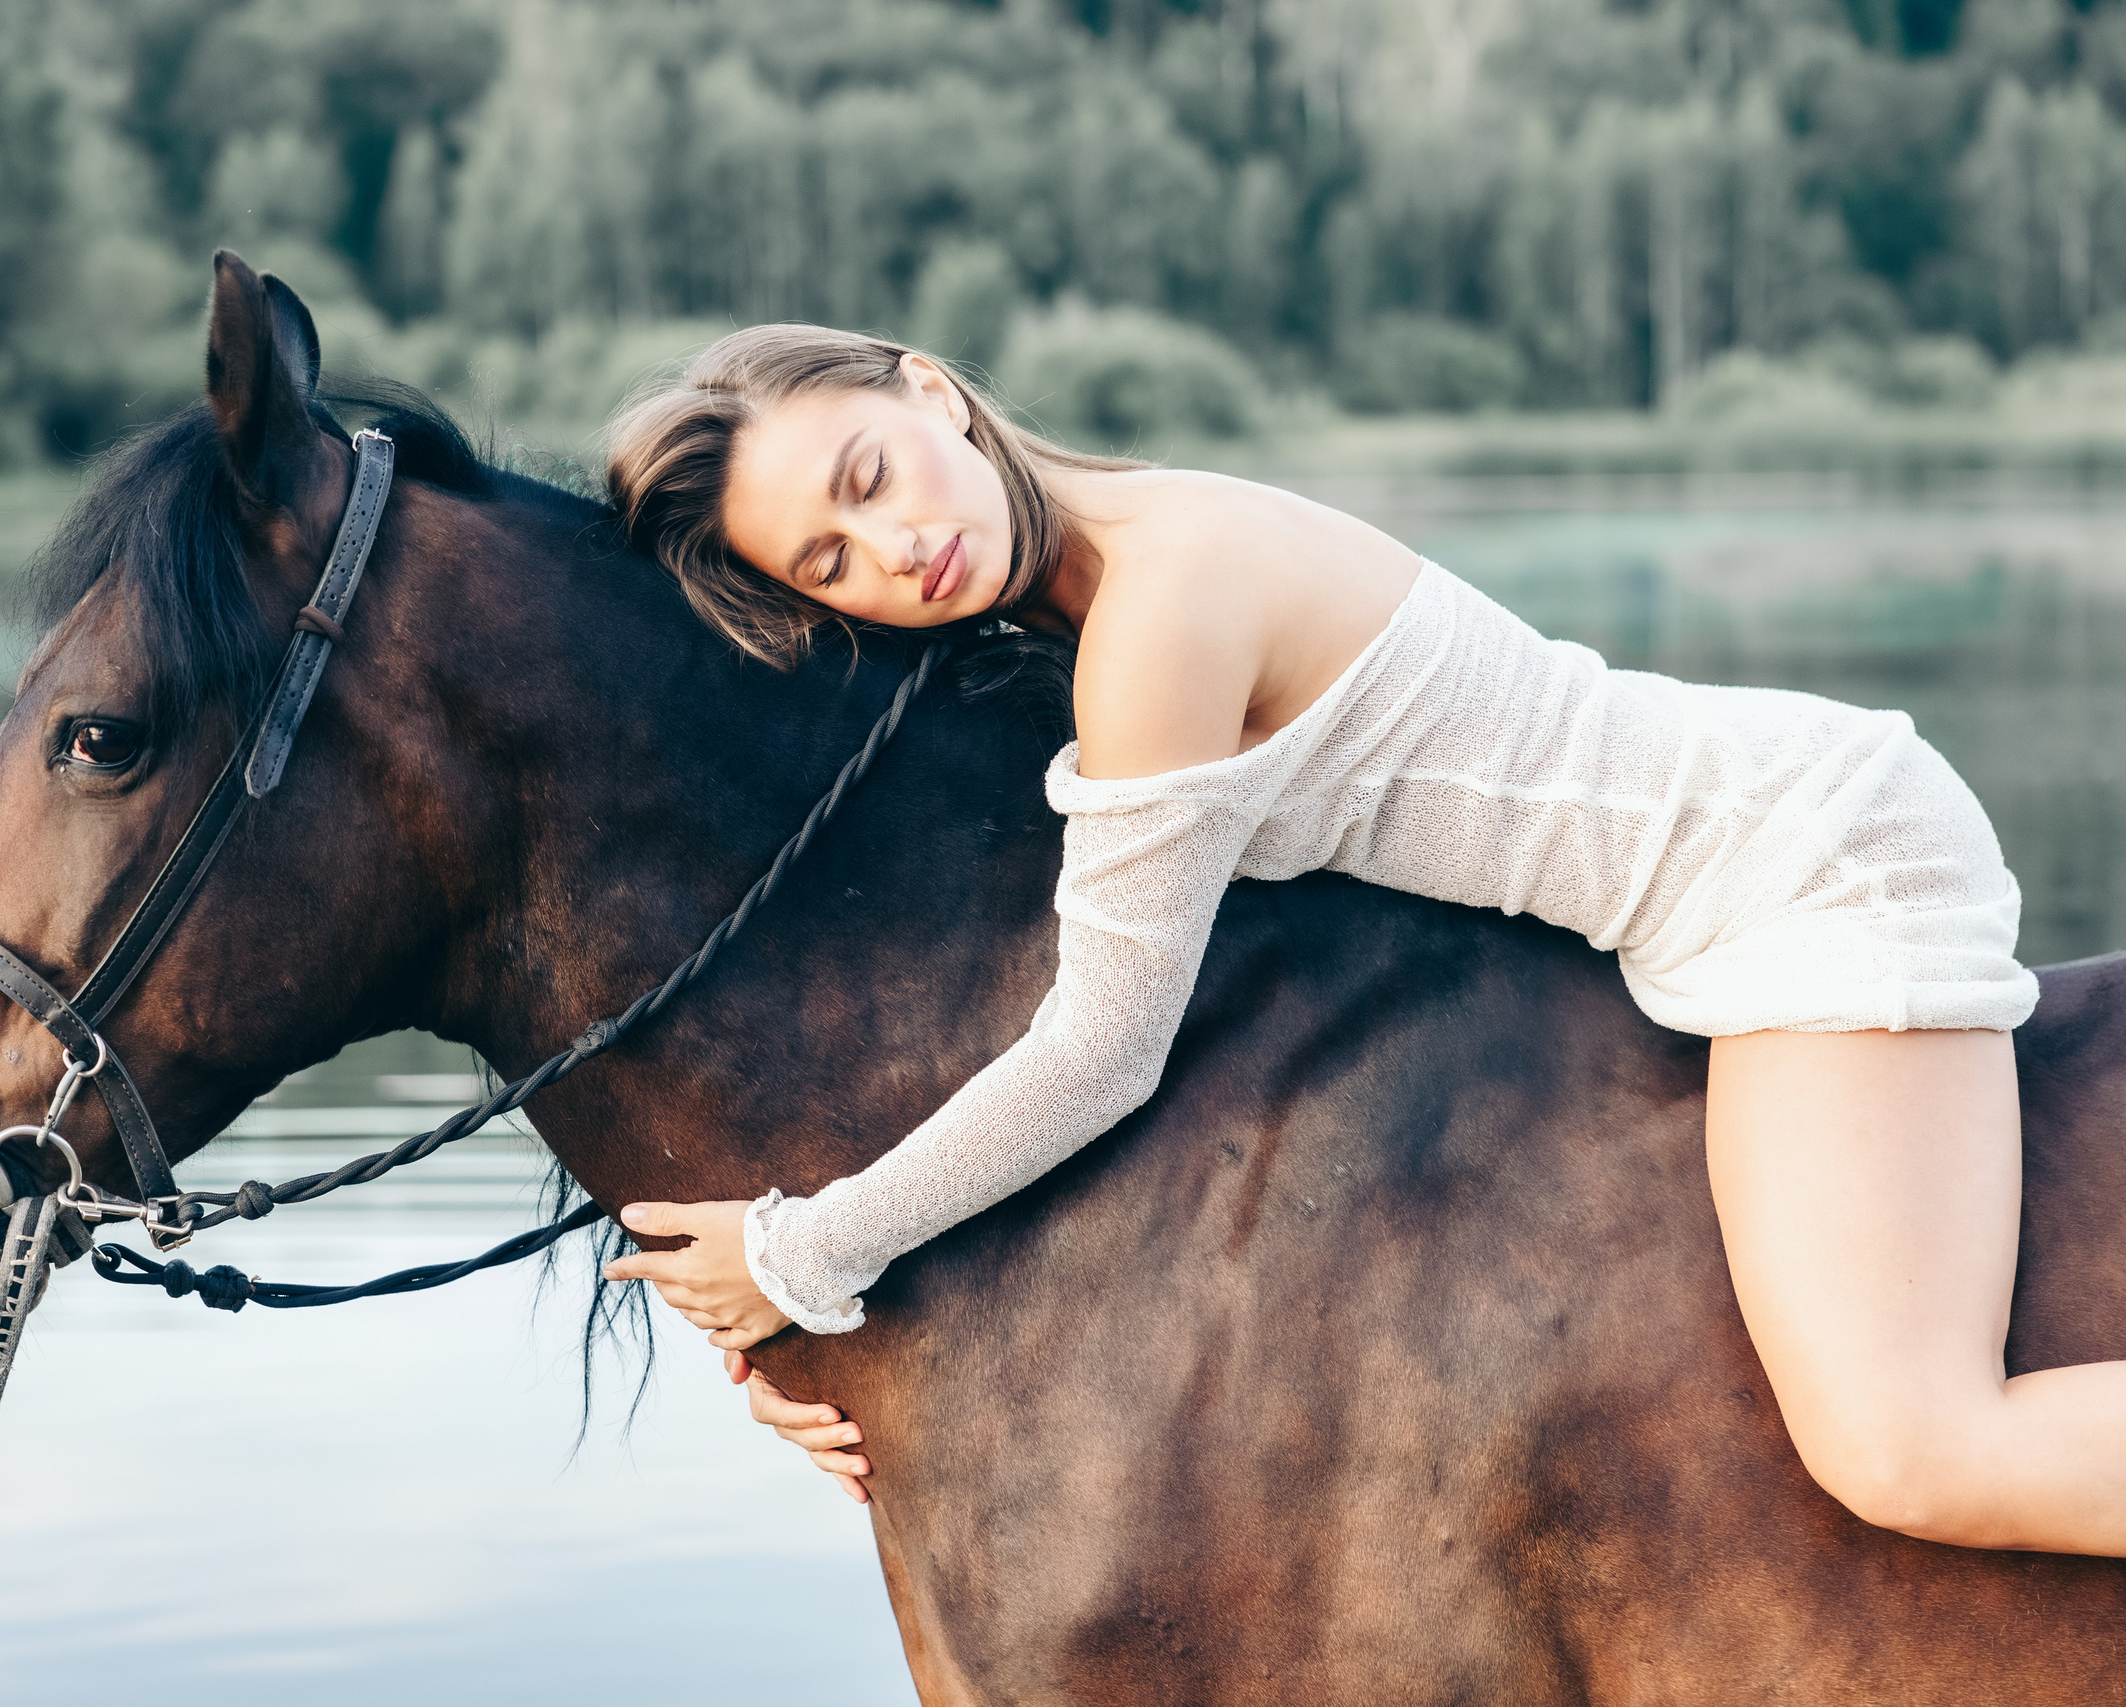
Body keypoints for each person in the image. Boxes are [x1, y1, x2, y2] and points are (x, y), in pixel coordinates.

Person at [594, 323, 2126, 1552]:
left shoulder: (1159, 614)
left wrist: (805, 1253)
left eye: (870, 477)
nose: (893, 549)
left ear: (930, 388)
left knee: (1913, 1451)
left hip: (1798, 863)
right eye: (830, 565)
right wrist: (801, 1324)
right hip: (1712, 892)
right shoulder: (1087, 588)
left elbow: (1104, 1050)